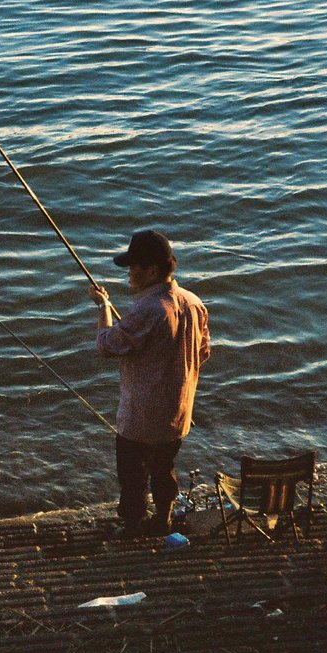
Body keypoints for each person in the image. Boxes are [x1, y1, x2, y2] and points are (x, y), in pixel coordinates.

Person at [89, 229, 210, 538]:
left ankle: (132, 527)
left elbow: (106, 345)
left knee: (132, 476)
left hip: (141, 417)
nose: (129, 273)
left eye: (134, 267)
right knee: (163, 471)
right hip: (179, 412)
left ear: (152, 271)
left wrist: (103, 306)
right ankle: (163, 519)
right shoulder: (194, 302)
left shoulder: (148, 309)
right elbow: (204, 351)